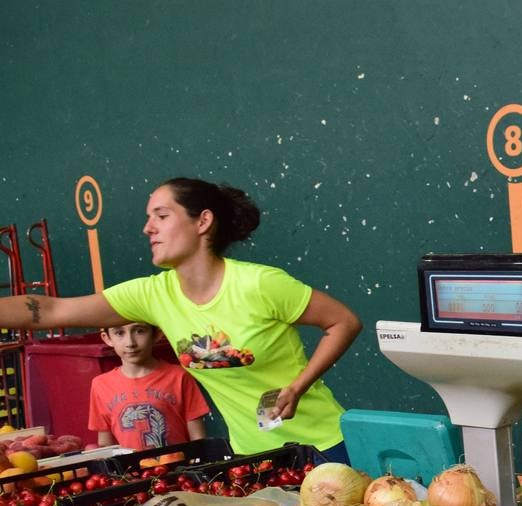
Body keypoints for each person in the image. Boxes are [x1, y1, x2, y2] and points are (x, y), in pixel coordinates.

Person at [0, 177, 361, 459]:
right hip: (254, 455)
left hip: (325, 446)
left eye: (161, 215)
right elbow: (51, 310)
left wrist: (298, 386)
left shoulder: (259, 284)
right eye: (148, 218)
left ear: (203, 221)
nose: (148, 228)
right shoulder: (153, 295)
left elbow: (343, 321)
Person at [88, 321, 210, 449]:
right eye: (119, 333)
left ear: (156, 334)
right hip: (131, 469)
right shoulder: (100, 385)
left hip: (181, 467)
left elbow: (199, 440)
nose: (130, 343)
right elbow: (106, 446)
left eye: (139, 331)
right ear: (107, 338)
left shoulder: (179, 376)